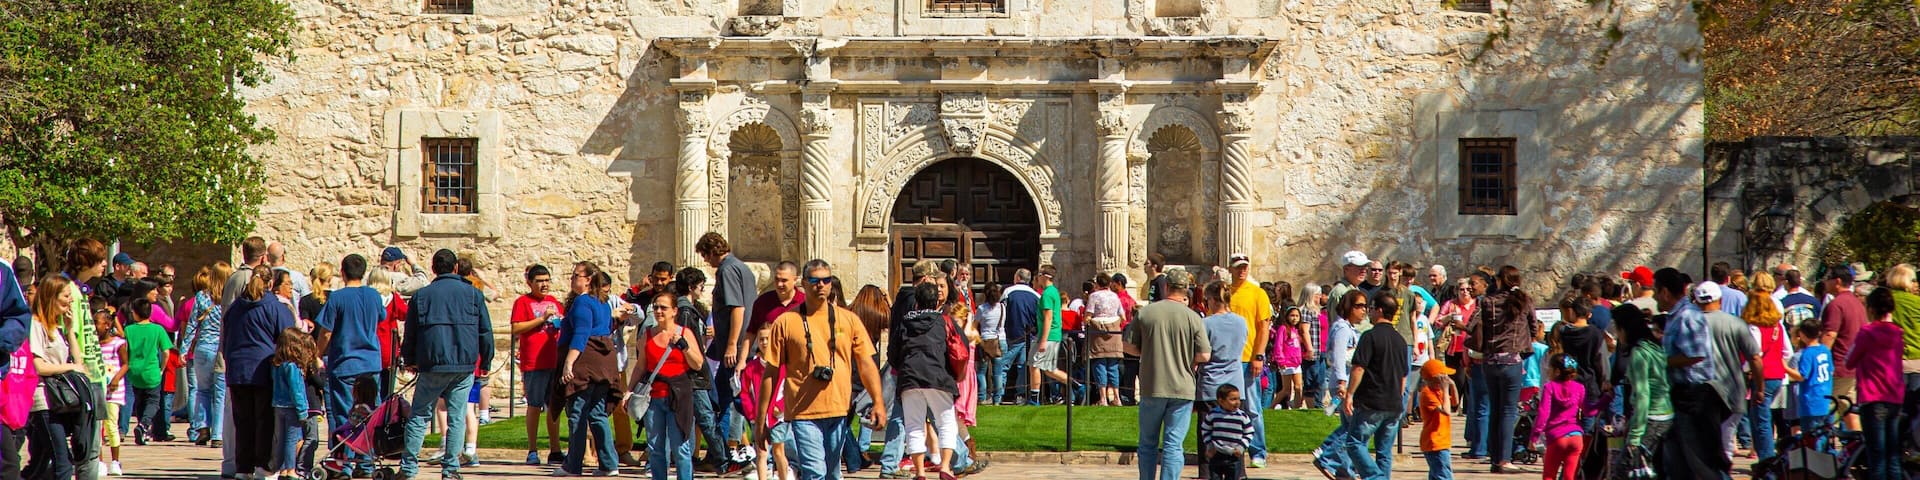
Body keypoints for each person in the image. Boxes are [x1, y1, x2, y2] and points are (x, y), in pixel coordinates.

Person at [757, 260, 887, 480]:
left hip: (839, 409)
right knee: (815, 472)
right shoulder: (786, 322)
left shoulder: (848, 319)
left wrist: (878, 402)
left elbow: (866, 364)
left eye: (826, 280)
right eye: (815, 281)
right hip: (803, 411)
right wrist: (761, 420)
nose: (821, 286)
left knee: (832, 474)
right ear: (804, 284)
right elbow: (771, 372)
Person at [397, 250, 494, 480]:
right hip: (463, 364)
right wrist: (486, 361)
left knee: (420, 415)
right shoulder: (473, 294)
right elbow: (485, 332)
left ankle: (409, 467)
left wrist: (409, 359)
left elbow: (410, 333)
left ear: (433, 269)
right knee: (457, 416)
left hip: (432, 362)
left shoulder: (422, 296)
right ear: (456, 268)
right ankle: (451, 468)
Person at [1124, 268, 1208, 480]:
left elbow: (1128, 346)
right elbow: (1205, 354)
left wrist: (1149, 351)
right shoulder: (1193, 317)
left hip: (1153, 384)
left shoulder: (1147, 312)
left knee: (1148, 442)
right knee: (1173, 444)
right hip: (1182, 387)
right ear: (1186, 290)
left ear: (1166, 286)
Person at [549, 263, 626, 477]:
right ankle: (609, 464)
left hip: (586, 363)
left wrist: (568, 363)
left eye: (576, 276)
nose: (572, 280)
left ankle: (572, 465)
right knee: (597, 413)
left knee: (578, 412)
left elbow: (581, 334)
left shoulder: (582, 302)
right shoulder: (601, 302)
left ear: (588, 280)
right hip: (604, 362)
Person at [312, 254, 385, 474]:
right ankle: (366, 462)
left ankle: (343, 464)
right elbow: (380, 318)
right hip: (371, 362)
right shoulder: (373, 296)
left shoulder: (337, 298)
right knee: (369, 414)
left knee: (344, 414)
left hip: (345, 362)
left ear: (342, 273)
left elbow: (326, 332)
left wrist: (317, 353)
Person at [224, 265, 299, 479]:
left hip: (238, 369)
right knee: (264, 419)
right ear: (270, 283)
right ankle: (263, 466)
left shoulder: (236, 307)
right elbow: (286, 338)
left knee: (243, 420)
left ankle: (243, 467)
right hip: (263, 369)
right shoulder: (275, 307)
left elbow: (227, 335)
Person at [1465, 266, 1541, 474]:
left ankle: (1494, 457)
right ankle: (1504, 459)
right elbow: (1534, 328)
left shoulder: (1487, 301)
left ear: (1499, 280)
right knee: (1508, 412)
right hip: (1512, 360)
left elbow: (1472, 325)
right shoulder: (1523, 300)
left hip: (1490, 361)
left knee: (1494, 411)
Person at [1657, 270, 1732, 480]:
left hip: (1695, 396)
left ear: (1664, 292)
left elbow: (1696, 354)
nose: (1654, 297)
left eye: (1656, 291)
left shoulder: (1687, 315)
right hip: (1681, 396)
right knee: (1679, 462)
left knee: (1702, 461)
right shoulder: (1675, 317)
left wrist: (1661, 361)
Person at [891, 283, 960, 480]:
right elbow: (958, 348)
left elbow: (892, 353)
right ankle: (945, 467)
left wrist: (904, 365)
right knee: (946, 422)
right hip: (938, 376)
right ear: (937, 300)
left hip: (910, 377)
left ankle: (920, 471)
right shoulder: (944, 322)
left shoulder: (904, 323)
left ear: (917, 301)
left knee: (914, 425)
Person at [636, 287, 706, 480]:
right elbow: (640, 367)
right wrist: (629, 391)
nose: (658, 311)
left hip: (679, 396)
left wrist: (683, 346)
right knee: (655, 447)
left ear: (674, 311)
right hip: (654, 397)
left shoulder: (685, 333)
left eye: (663, 308)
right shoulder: (647, 336)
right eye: (656, 307)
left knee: (680, 447)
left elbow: (698, 363)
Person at [697, 233, 756, 461]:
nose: (706, 261)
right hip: (739, 347)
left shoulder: (727, 269)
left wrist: (732, 345)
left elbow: (737, 308)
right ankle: (725, 452)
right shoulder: (741, 267)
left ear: (712, 251)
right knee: (730, 397)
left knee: (729, 399)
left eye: (705, 255)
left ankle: (722, 455)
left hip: (735, 348)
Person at [26, 276, 90, 480]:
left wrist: (71, 331)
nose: (70, 301)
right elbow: (39, 366)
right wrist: (70, 367)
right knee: (62, 462)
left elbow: (78, 363)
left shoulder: (57, 328)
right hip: (44, 401)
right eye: (66, 296)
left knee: (39, 464)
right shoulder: (36, 325)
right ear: (51, 297)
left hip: (60, 402)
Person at [1702, 280, 1763, 463]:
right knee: (1726, 441)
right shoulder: (1735, 323)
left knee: (1706, 444)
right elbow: (1755, 357)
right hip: (1732, 389)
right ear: (1719, 300)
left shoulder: (1691, 323)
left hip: (1702, 390)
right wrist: (1759, 387)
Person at [509, 265, 564, 466]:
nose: (544, 284)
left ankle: (555, 449)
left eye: (547, 280)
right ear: (530, 283)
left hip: (554, 361)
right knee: (534, 405)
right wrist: (541, 319)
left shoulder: (554, 302)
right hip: (534, 363)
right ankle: (532, 449)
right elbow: (516, 327)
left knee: (555, 407)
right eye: (540, 280)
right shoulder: (522, 302)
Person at [1220, 253, 1272, 467]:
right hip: (1227, 358)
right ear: (1230, 269)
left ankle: (1258, 450)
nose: (1242, 270)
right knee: (1225, 406)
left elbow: (1264, 327)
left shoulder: (1257, 293)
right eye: (1238, 267)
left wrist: (1258, 355)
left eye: (1245, 267)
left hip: (1248, 357)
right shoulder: (1225, 293)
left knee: (1252, 407)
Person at [1848, 287, 1903, 480]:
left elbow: (1850, 360)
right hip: (1894, 396)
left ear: (1870, 309)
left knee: (1876, 454)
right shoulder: (1897, 333)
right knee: (1893, 453)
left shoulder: (1867, 332)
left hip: (1872, 396)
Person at [1742, 274, 1790, 461]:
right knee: (1765, 419)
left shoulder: (1754, 327)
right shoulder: (1778, 325)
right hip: (1777, 375)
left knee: (1761, 422)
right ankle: (1769, 457)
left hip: (1762, 377)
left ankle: (1767, 461)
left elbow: (1755, 355)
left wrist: (1746, 371)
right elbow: (1787, 351)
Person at [183, 263, 231, 448]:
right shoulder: (228, 298)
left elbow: (192, 325)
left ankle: (203, 428)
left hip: (202, 348)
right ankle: (218, 434)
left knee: (202, 390)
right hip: (219, 349)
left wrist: (185, 349)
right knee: (220, 393)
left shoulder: (202, 297)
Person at [268, 328, 318, 480]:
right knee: (292, 439)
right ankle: (290, 469)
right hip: (291, 408)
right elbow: (297, 390)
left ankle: (281, 468)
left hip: (278, 405)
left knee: (280, 438)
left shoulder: (276, 364)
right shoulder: (292, 367)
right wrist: (303, 410)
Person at [1028, 265, 1082, 405]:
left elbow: (1048, 317)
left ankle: (1034, 399)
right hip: (1052, 335)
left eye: (1039, 275)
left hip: (1048, 336)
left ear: (1045, 276)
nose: (1037, 278)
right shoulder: (1053, 292)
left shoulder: (1047, 294)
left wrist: (1043, 340)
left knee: (1035, 365)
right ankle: (1077, 386)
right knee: (1048, 369)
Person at [124, 297, 174, 444]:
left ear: (135, 313)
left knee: (139, 401)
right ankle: (144, 425)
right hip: (152, 371)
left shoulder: (128, 329)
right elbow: (166, 352)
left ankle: (142, 430)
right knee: (153, 401)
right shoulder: (158, 329)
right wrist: (162, 368)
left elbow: (125, 349)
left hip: (134, 371)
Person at [1820, 266, 1866, 416]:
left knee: (1827, 408)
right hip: (1855, 364)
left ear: (1837, 281)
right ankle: (1857, 437)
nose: (1825, 283)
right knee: (1848, 409)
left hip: (1839, 365)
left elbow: (1830, 335)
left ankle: (1827, 439)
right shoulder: (1857, 303)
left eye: (1828, 279)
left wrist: (1820, 358)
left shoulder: (1836, 304)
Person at [1535, 354, 1587, 480]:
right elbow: (1588, 410)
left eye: (1550, 369)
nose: (1548, 371)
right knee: (1569, 476)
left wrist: (1535, 435)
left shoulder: (1550, 387)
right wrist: (1606, 399)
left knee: (1549, 475)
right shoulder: (1580, 387)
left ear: (1557, 371)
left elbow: (1543, 413)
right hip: (1576, 437)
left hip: (1557, 437)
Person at [1787, 320, 1833, 449]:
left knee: (1811, 439)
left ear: (1801, 334)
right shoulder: (1825, 350)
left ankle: (1816, 465)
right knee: (1825, 436)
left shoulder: (1807, 353)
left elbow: (1802, 376)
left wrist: (1785, 368)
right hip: (1826, 398)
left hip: (1811, 401)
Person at [995, 270, 1037, 405]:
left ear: (1017, 277)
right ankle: (1020, 395)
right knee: (1023, 367)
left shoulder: (1008, 292)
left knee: (1003, 366)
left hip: (1011, 335)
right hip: (1029, 336)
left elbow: (1001, 310)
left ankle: (999, 394)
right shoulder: (1036, 295)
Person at [1084, 273, 1125, 407]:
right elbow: (1122, 316)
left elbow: (1088, 315)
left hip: (1098, 334)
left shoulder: (1094, 296)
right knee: (1113, 366)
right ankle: (1117, 397)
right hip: (1113, 333)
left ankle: (1103, 398)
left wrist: (1090, 322)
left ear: (1097, 283)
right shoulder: (1115, 296)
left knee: (1099, 364)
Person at [1199, 384, 1254, 480]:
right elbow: (1205, 429)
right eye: (1233, 399)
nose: (1237, 402)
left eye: (1238, 399)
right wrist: (1209, 445)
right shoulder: (1213, 414)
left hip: (1233, 455)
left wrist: (1241, 447)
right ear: (1221, 401)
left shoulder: (1242, 416)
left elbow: (1249, 432)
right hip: (1217, 453)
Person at [96, 310, 126, 475]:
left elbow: (126, 364)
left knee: (111, 425)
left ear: (107, 325)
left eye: (97, 323)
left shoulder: (118, 344)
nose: (95, 326)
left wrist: (115, 379)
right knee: (97, 426)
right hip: (98, 390)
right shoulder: (94, 345)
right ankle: (99, 462)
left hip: (114, 392)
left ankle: (115, 460)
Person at [1418, 359, 1458, 480]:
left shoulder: (1438, 391)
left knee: (1436, 475)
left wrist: (1452, 385)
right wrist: (1446, 389)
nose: (1446, 378)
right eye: (1443, 376)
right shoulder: (1427, 393)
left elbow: (1454, 404)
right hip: (1435, 442)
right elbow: (1446, 411)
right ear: (1435, 379)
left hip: (1442, 441)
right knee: (1444, 475)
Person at [1270, 307, 1304, 409]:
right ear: (1287, 316)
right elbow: (1278, 345)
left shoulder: (1296, 330)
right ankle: (1271, 407)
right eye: (1292, 315)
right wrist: (1281, 361)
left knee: (1298, 387)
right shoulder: (1283, 329)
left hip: (1296, 363)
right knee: (1286, 389)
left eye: (1297, 316)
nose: (1294, 318)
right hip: (1286, 363)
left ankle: (1297, 408)